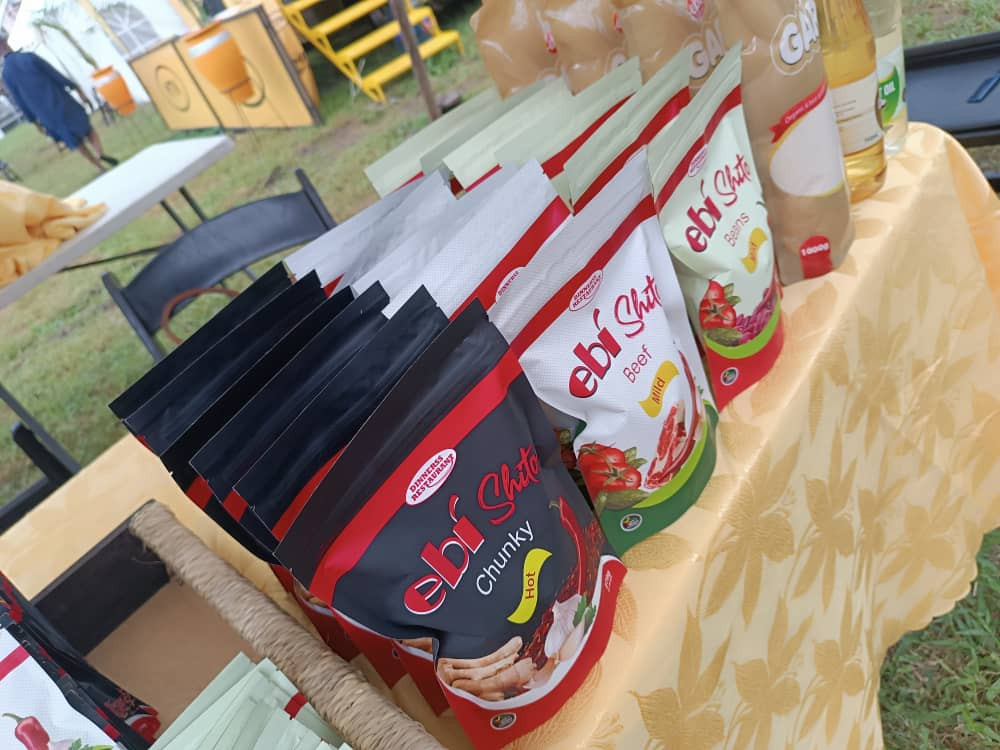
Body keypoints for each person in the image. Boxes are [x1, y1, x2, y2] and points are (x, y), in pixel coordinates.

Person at [0, 33, 117, 171]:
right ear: (6, 43)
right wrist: (77, 89)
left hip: (46, 114)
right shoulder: (29, 57)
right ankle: (99, 153)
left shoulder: (6, 74)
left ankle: (98, 167)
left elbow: (20, 101)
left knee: (73, 141)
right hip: (61, 100)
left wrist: (35, 122)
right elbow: (55, 74)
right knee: (87, 128)